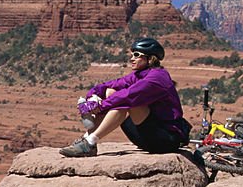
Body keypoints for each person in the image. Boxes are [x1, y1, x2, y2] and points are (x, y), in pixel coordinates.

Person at [59, 37, 191, 157]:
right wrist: (92, 96)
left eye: (136, 55)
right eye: (132, 54)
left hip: (166, 139)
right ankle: (86, 140)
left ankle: (90, 142)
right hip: (146, 133)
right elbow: (112, 84)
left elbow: (128, 96)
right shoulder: (140, 74)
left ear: (150, 58)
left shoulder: (157, 78)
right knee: (111, 91)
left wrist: (99, 107)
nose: (131, 58)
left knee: (125, 103)